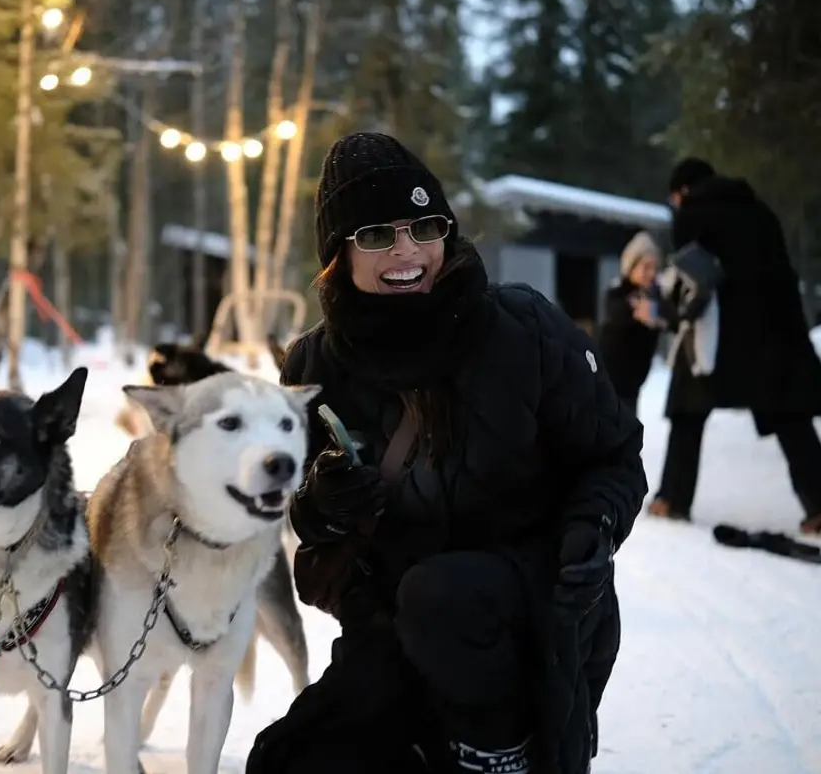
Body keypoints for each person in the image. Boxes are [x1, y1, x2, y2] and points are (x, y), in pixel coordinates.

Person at [244, 132, 647, 774]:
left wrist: (591, 530)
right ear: (338, 255)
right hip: (396, 631)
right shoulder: (314, 365)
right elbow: (305, 526)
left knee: (443, 593)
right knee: (286, 762)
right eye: (377, 235)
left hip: (529, 612)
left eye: (423, 226)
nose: (407, 251)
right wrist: (321, 505)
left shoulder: (524, 331)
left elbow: (615, 457)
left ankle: (500, 753)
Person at [648, 157, 821, 538]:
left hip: (718, 335)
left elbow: (694, 283)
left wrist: (668, 310)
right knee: (792, 420)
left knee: (687, 411)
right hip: (775, 334)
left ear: (683, 190)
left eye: (674, 197)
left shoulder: (692, 214)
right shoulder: (759, 211)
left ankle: (672, 499)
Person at [598, 231, 665, 413]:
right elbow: (617, 312)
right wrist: (636, 309)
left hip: (633, 382)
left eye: (654, 267)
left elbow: (668, 318)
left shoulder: (656, 295)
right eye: (645, 267)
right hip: (609, 377)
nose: (651, 273)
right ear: (631, 266)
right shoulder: (618, 291)